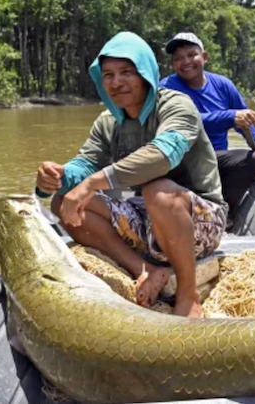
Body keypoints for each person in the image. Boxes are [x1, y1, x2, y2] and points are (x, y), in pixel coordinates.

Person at [34, 31, 227, 318]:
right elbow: (85, 163)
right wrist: (55, 177)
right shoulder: (108, 121)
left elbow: (164, 154)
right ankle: (146, 269)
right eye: (108, 74)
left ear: (147, 73)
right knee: (63, 203)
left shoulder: (176, 106)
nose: (116, 82)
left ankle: (188, 294)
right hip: (146, 216)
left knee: (158, 191)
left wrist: (94, 182)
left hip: (200, 219)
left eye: (126, 72)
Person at [159, 33, 255, 223]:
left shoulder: (223, 85)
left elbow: (247, 120)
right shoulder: (166, 88)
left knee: (254, 160)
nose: (185, 61)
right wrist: (229, 116)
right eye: (178, 58)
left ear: (204, 57)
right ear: (173, 65)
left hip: (215, 161)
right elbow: (185, 120)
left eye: (191, 55)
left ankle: (222, 213)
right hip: (182, 163)